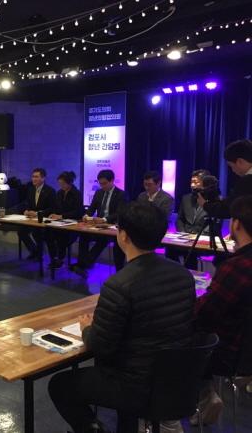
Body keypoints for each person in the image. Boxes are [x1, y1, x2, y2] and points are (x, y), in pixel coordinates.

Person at [48, 202, 195, 433]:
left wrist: (87, 327)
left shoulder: (119, 284)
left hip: (136, 385)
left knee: (60, 385)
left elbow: (100, 347)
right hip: (176, 378)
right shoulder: (183, 274)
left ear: (123, 236)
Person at [192, 195, 252, 426]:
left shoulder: (237, 267)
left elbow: (205, 312)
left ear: (236, 224)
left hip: (230, 353)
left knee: (176, 335)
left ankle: (195, 398)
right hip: (244, 348)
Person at [70, 169, 128, 277]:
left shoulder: (121, 194)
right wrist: (86, 216)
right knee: (84, 235)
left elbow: (119, 213)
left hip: (112, 227)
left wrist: (104, 219)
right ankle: (82, 264)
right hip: (99, 225)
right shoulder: (99, 192)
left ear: (112, 181)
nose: (102, 186)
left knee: (103, 240)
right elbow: (92, 208)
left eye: (104, 183)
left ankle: (86, 263)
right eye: (100, 183)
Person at [165, 169, 211, 269]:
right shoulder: (186, 198)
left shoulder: (216, 200)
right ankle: (176, 273)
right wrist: (183, 233)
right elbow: (179, 219)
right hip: (185, 237)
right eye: (191, 182)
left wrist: (197, 236)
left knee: (190, 253)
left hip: (203, 239)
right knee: (169, 249)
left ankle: (189, 275)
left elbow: (214, 224)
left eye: (196, 182)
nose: (192, 185)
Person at [200, 139, 252, 218]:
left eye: (231, 166)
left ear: (240, 161)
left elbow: (229, 209)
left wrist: (204, 205)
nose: (233, 171)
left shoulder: (247, 181)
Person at [17, 168, 57, 262]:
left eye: (36, 177)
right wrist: (26, 211)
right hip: (32, 219)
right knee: (21, 231)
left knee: (37, 233)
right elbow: (28, 204)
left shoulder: (50, 191)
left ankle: (47, 256)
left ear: (43, 178)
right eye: (33, 177)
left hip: (44, 219)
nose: (34, 179)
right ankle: (34, 251)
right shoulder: (31, 190)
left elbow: (52, 208)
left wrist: (38, 213)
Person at [47, 171, 85, 269]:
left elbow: (78, 212)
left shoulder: (76, 194)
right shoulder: (59, 193)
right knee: (48, 233)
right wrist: (53, 214)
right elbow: (56, 207)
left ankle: (59, 259)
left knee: (61, 236)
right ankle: (54, 257)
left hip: (73, 224)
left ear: (69, 183)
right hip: (60, 223)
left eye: (63, 184)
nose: (61, 186)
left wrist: (62, 216)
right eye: (60, 184)